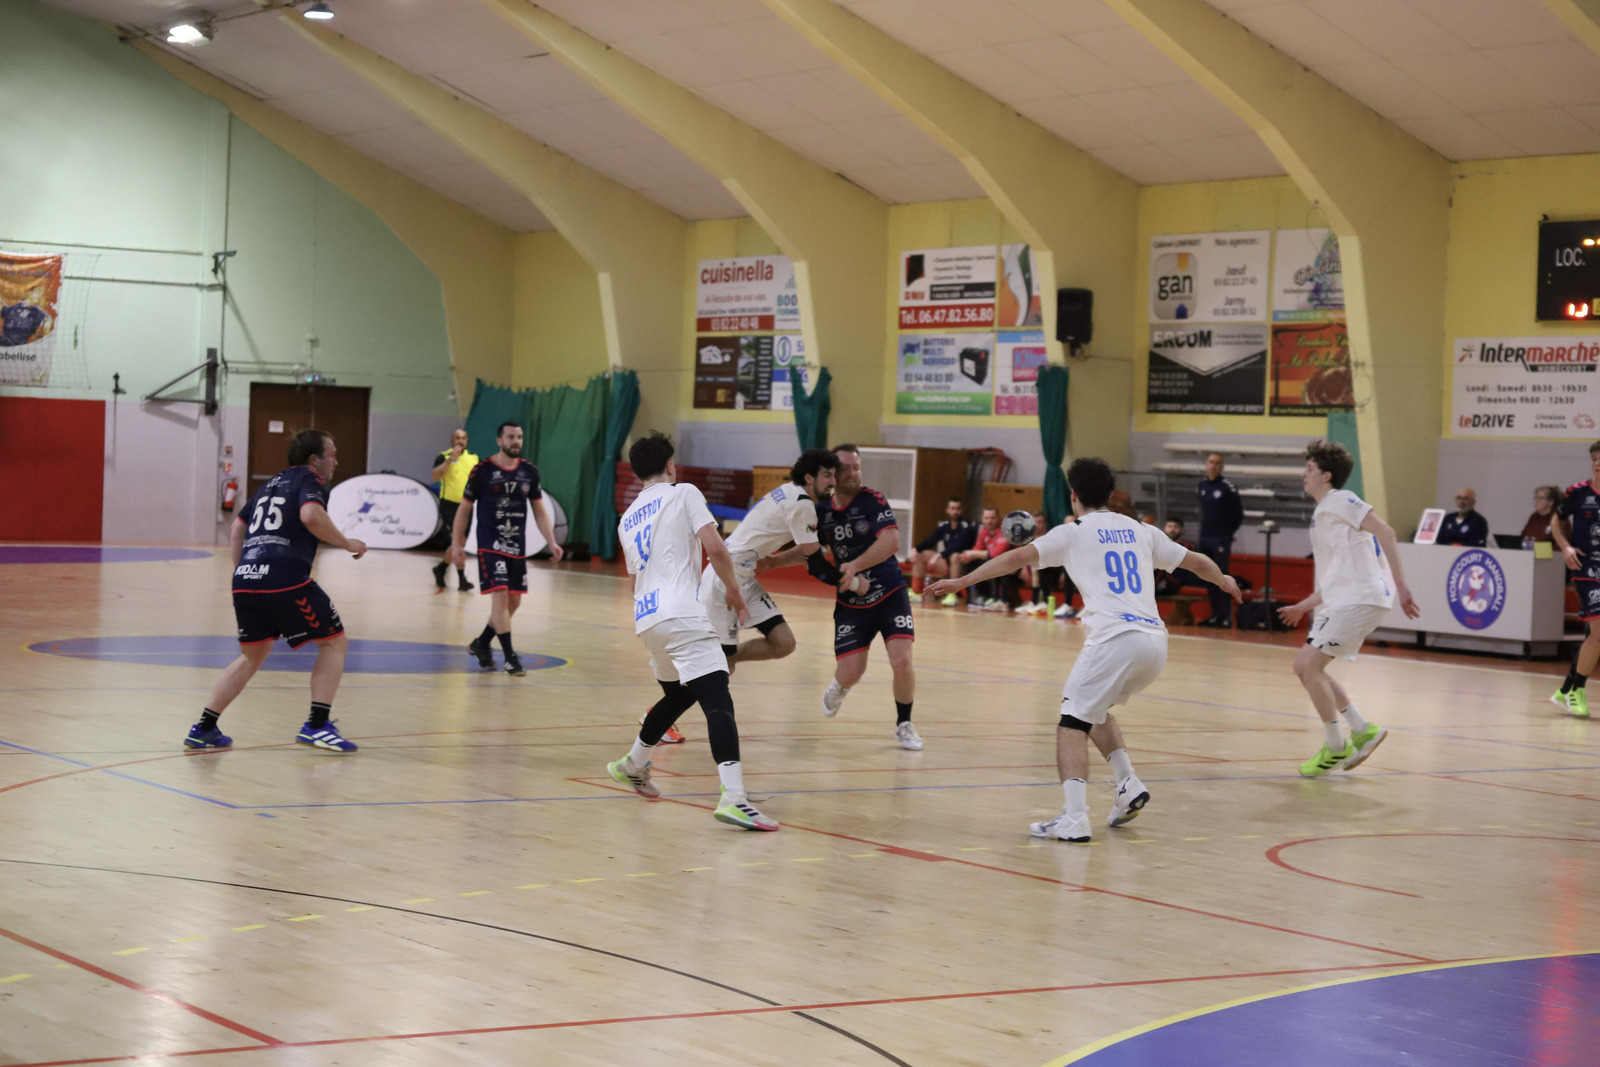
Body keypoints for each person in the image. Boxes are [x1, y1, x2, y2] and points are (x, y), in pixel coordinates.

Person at [927, 457, 1240, 841]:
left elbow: (1015, 558)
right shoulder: (1141, 529)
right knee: (1095, 709)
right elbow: (1197, 562)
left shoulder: (1072, 532)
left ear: (1073, 496)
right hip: (1155, 643)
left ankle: (1074, 818)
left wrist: (961, 582)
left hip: (1114, 640)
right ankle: (1127, 784)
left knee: (1071, 723)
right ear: (1110, 494)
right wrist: (1224, 580)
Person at [604, 431, 776, 830]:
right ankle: (734, 797)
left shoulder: (627, 517)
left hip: (647, 618)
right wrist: (734, 592)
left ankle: (633, 764)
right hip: (682, 613)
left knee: (681, 694)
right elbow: (715, 548)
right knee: (717, 698)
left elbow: (635, 579)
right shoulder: (684, 493)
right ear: (671, 466)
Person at [183, 430, 367, 754]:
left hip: (246, 579)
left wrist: (244, 571)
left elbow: (237, 528)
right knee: (334, 642)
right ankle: (317, 725)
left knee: (252, 655)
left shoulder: (268, 484)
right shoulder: (310, 478)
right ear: (314, 460)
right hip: (283, 575)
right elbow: (310, 515)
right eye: (332, 455)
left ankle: (204, 728)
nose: (336, 462)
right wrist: (347, 542)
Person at [1278, 440, 1420, 775]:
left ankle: (1336, 746)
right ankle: (1362, 730)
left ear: (1326, 476)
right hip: (1345, 600)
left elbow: (1386, 532)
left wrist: (1401, 585)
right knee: (1309, 668)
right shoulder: (1323, 513)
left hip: (1360, 599)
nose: (1303, 474)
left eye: (1310, 469)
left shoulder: (1340, 500)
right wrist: (1303, 606)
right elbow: (1334, 579)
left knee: (1307, 666)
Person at [816, 444, 923, 750]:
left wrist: (854, 565)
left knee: (902, 660)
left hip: (890, 592)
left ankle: (904, 724)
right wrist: (773, 561)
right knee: (852, 671)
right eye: (845, 468)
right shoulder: (821, 511)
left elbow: (891, 542)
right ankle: (839, 687)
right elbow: (810, 552)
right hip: (852, 603)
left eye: (857, 467)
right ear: (832, 473)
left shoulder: (872, 499)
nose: (853, 473)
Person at [708, 448, 854, 672]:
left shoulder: (790, 491)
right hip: (726, 578)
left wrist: (775, 562)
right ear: (809, 478)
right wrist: (854, 584)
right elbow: (816, 566)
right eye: (827, 475)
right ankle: (694, 682)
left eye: (834, 475)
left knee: (783, 643)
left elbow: (808, 550)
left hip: (744, 573)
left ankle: (722, 661)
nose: (833, 482)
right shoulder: (802, 504)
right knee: (721, 667)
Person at [450, 421, 562, 676]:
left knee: (514, 602)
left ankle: (481, 643)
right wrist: (457, 543)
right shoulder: (483, 470)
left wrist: (552, 541)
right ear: (499, 440)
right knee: (500, 597)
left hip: (516, 546)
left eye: (519, 437)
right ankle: (511, 658)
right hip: (490, 544)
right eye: (511, 437)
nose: (516, 441)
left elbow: (539, 510)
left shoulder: (529, 472)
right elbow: (464, 509)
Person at [1551, 447, 1600, 718]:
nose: (1597, 464)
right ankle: (1576, 691)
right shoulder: (1577, 492)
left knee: (1594, 636)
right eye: (1594, 459)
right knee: (1599, 630)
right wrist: (1565, 547)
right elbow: (1556, 521)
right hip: (1587, 566)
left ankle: (1567, 687)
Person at [1197, 453, 1244, 628]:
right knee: (1208, 575)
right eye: (1211, 462)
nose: (1214, 465)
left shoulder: (1228, 487)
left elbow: (1238, 514)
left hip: (1220, 539)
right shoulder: (1202, 486)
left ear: (1222, 467)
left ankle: (1225, 617)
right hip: (1205, 537)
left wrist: (1226, 534)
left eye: (1217, 463)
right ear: (1206, 464)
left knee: (1221, 575)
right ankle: (1215, 615)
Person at [430, 429, 478, 590]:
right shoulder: (443, 456)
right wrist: (451, 459)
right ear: (452, 440)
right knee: (458, 540)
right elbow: (435, 477)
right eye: (457, 438)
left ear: (467, 441)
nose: (460, 441)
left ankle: (442, 568)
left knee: (461, 543)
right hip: (449, 505)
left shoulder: (473, 458)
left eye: (463, 438)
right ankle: (461, 578)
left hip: (467, 506)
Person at [911, 498, 976, 605]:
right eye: (953, 508)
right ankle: (916, 592)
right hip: (947, 563)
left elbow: (958, 546)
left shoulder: (967, 526)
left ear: (962, 510)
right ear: (947, 510)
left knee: (955, 556)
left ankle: (953, 595)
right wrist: (915, 549)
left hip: (964, 565)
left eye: (958, 509)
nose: (955, 511)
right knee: (920, 554)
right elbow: (931, 540)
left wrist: (938, 555)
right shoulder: (945, 526)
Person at [963, 507, 1011, 610]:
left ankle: (999, 600)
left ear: (998, 518)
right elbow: (977, 549)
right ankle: (975, 596)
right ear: (983, 520)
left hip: (1012, 566)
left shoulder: (1004, 531)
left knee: (996, 564)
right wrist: (969, 556)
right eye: (987, 518)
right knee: (972, 563)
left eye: (992, 518)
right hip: (994, 563)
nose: (989, 521)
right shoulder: (984, 532)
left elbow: (997, 553)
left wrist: (973, 553)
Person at [1153, 518, 1200, 597]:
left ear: (1182, 530)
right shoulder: (1158, 545)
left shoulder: (1189, 546)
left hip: (1180, 579)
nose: (1172, 529)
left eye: (1176, 527)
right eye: (1169, 526)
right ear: (1164, 529)